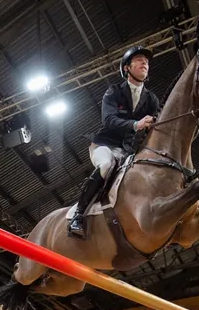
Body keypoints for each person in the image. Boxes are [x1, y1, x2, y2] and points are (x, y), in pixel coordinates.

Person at [68, 46, 161, 238]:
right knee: (106, 165)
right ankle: (78, 215)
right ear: (127, 68)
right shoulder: (114, 91)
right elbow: (109, 120)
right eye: (139, 59)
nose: (145, 62)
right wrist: (135, 124)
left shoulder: (151, 99)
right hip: (104, 145)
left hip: (128, 151)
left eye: (146, 61)